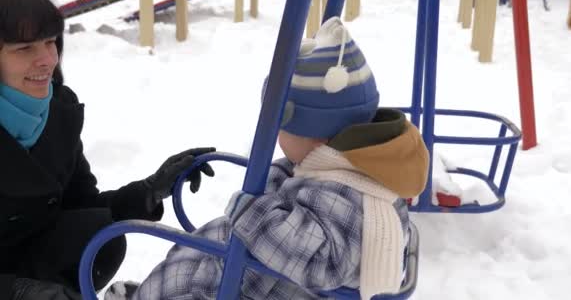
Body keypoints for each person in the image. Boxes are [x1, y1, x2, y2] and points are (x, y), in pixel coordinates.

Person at [105, 17, 430, 300]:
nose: (275, 135)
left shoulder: (351, 196)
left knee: (201, 261)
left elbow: (320, 261)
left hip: (236, 290)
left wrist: (252, 209)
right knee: (197, 256)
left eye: (279, 126)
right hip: (243, 278)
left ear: (313, 131)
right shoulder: (342, 168)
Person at [0, 0, 215, 300]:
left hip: (29, 261)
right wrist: (17, 292)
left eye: (50, 41)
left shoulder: (56, 113)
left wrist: (148, 191)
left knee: (102, 236)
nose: (47, 59)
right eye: (25, 47)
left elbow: (81, 204)